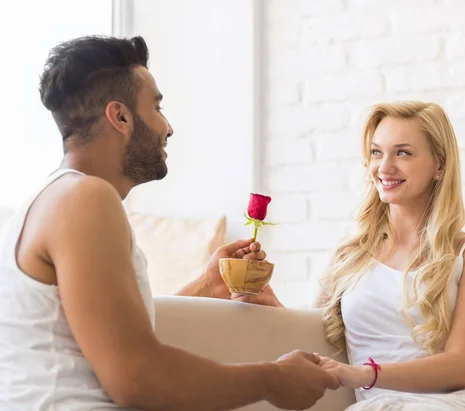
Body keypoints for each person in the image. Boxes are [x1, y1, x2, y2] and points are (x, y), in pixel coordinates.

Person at [0, 35, 338, 410]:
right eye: (157, 107)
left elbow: (116, 337)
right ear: (121, 117)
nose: (168, 127)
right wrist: (273, 379)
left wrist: (206, 285)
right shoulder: (86, 200)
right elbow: (138, 377)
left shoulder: (56, 200)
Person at [235, 102, 465, 410]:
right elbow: (321, 340)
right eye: (376, 152)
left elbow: (459, 368)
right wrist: (274, 307)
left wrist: (363, 374)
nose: (384, 167)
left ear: (439, 164)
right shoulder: (351, 255)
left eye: (403, 152)